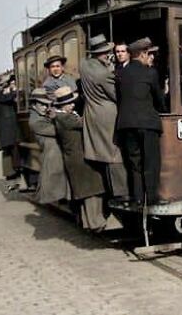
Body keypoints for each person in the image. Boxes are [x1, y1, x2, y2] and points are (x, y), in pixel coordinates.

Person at [116, 37, 166, 207]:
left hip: (127, 124)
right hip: (147, 123)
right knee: (150, 162)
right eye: (149, 54)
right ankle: (151, 198)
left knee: (134, 163)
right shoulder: (150, 73)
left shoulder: (121, 73)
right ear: (143, 54)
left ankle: (138, 198)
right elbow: (159, 100)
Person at [79, 34, 129, 200]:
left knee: (101, 153)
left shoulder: (84, 66)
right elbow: (118, 95)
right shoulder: (103, 74)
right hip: (107, 115)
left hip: (91, 113)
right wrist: (111, 68)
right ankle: (121, 192)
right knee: (114, 154)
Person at [52, 86, 108, 231]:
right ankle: (95, 222)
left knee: (87, 190)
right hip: (79, 158)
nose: (72, 104)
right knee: (91, 190)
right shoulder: (65, 118)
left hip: (76, 158)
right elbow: (86, 123)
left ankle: (88, 222)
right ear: (61, 105)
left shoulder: (64, 116)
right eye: (69, 103)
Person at [28, 88, 71, 204]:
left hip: (55, 149)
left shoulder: (42, 115)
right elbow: (56, 130)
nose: (45, 107)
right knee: (55, 178)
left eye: (46, 104)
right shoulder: (35, 121)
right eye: (41, 104)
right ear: (34, 104)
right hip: (52, 151)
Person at [0, 72, 21, 182]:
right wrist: (14, 90)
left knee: (11, 148)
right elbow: (7, 98)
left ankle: (14, 172)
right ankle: (16, 170)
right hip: (7, 128)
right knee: (12, 148)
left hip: (7, 127)